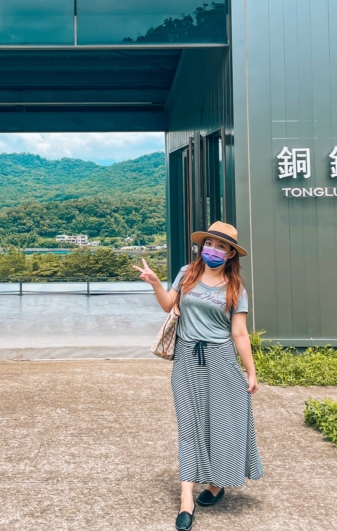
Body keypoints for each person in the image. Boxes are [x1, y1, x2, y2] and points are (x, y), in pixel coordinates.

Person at [134, 221, 264, 530]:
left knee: (223, 424)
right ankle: (186, 499)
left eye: (222, 247)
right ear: (201, 246)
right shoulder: (187, 273)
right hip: (187, 360)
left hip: (221, 362)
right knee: (189, 427)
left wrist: (251, 371)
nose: (214, 250)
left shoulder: (236, 289)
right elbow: (169, 305)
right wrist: (155, 283)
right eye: (210, 244)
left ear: (231, 254)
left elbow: (240, 333)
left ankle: (217, 484)